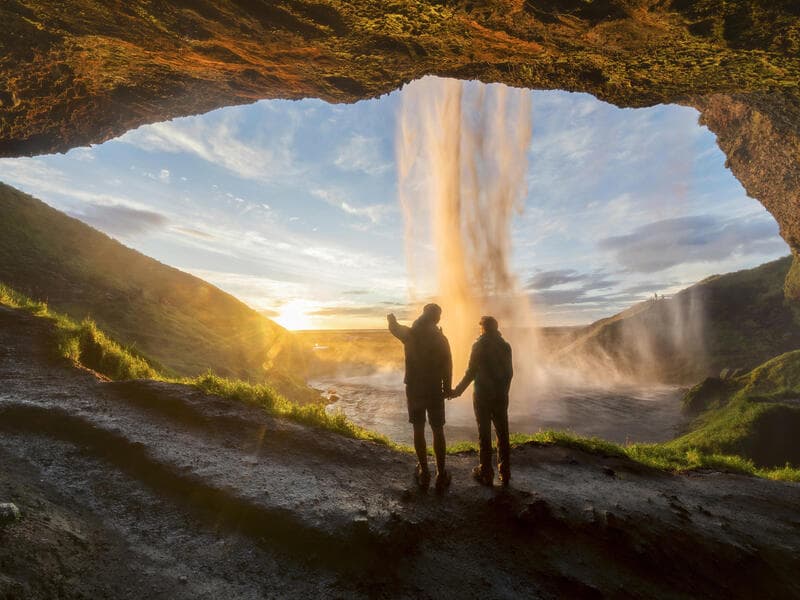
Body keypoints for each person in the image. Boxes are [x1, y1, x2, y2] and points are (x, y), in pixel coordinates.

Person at [388, 304, 452, 491]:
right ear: (437, 318)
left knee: (418, 428)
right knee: (438, 429)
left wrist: (391, 320)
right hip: (434, 389)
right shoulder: (441, 338)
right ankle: (441, 474)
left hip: (414, 388)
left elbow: (394, 329)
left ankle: (424, 472)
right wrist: (447, 388)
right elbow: (448, 365)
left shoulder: (411, 334)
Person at [451, 316, 513, 486]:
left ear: (483, 328)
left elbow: (471, 372)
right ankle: (505, 473)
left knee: (484, 433)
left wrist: (457, 391)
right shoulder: (506, 346)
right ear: (496, 328)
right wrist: (503, 391)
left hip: (482, 395)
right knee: (503, 433)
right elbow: (509, 373)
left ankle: (485, 472)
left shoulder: (479, 345)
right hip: (501, 396)